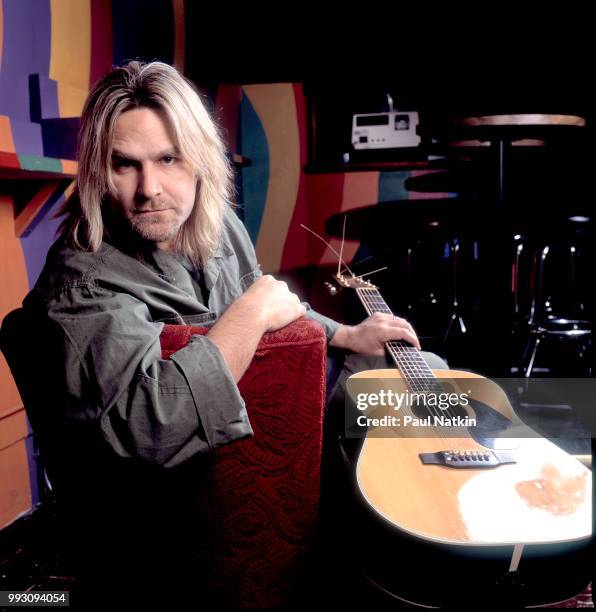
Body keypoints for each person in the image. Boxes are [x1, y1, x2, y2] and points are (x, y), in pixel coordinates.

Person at [8, 61, 446, 606]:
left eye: (169, 159)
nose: (150, 190)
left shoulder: (216, 225)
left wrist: (345, 334)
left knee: (426, 382)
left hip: (266, 448)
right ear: (99, 171)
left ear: (200, 161)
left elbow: (272, 307)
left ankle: (437, 543)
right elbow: (151, 431)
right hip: (193, 516)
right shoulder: (84, 284)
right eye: (126, 165)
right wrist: (246, 318)